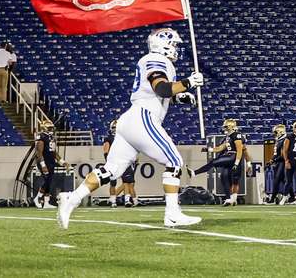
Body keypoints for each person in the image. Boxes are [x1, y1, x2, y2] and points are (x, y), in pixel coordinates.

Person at [57, 28, 204, 229]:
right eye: (174, 44)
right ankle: (172, 214)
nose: (176, 49)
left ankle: (71, 199)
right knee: (175, 162)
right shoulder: (156, 59)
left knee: (112, 170)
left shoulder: (152, 60)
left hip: (131, 120)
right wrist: (188, 83)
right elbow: (160, 88)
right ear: (163, 44)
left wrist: (178, 96)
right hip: (142, 117)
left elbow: (158, 93)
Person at [32, 119, 61, 209]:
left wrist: (62, 162)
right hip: (44, 162)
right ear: (44, 128)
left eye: (52, 128)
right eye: (49, 128)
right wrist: (43, 165)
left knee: (50, 180)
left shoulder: (51, 138)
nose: (51, 129)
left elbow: (53, 152)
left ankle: (47, 202)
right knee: (48, 179)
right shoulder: (41, 137)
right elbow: (39, 152)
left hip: (51, 161)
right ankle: (37, 198)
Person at [267, 124, 288, 204]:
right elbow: (276, 153)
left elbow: (283, 155)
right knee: (284, 180)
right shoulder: (279, 140)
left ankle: (272, 198)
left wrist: (274, 160)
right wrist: (272, 160)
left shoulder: (284, 140)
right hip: (278, 162)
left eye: (276, 132)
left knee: (277, 180)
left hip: (282, 162)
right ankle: (293, 197)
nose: (275, 134)